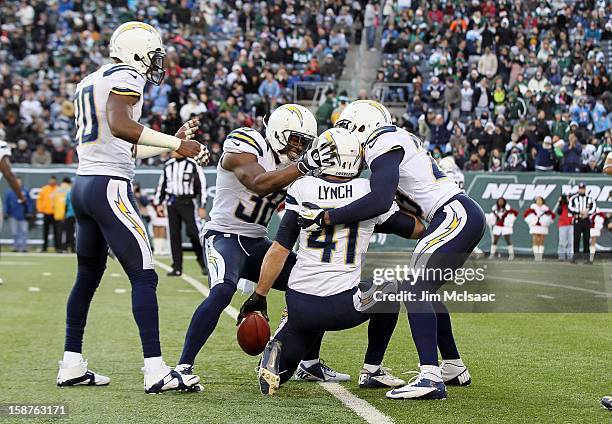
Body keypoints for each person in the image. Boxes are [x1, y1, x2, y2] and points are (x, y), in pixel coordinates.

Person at [56, 22, 209, 394]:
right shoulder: (127, 74)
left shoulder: (90, 80)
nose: (156, 64)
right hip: (108, 187)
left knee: (87, 277)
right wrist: (176, 145)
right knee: (144, 275)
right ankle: (156, 371)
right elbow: (121, 124)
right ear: (137, 51)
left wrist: (174, 140)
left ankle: (71, 364)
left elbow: (128, 145)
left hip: (84, 185)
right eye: (154, 56)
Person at [300, 100, 486, 400]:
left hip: (453, 213)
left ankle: (430, 377)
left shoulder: (381, 139)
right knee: (424, 289)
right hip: (456, 214)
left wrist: (327, 217)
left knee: (415, 287)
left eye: (347, 131)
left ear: (360, 126)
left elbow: (379, 200)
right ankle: (452, 365)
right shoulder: (395, 141)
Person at [239, 128, 421, 395]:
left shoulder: (302, 187)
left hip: (300, 303)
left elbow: (279, 249)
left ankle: (277, 358)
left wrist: (260, 293)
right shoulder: (367, 191)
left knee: (287, 362)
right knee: (390, 291)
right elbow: (415, 229)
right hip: (342, 305)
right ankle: (372, 370)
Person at [175, 104, 347, 386]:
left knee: (313, 282)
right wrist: (304, 167)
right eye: (295, 139)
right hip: (224, 236)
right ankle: (182, 367)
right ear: (278, 132)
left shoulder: (296, 167)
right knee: (222, 292)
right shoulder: (247, 142)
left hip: (257, 242)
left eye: (305, 142)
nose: (300, 147)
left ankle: (309, 363)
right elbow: (257, 183)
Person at [153, 152, 207, 276]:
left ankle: (204, 264)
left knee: (193, 233)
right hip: (172, 202)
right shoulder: (168, 165)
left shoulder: (192, 164)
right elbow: (162, 184)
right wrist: (159, 203)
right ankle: (177, 267)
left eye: (174, 149)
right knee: (174, 235)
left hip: (188, 202)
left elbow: (202, 185)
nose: (172, 152)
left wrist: (202, 205)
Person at [568, 183, 596, 264]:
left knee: (586, 238)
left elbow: (593, 208)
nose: (581, 190)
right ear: (578, 189)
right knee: (576, 238)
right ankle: (575, 257)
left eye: (583, 189)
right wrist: (579, 212)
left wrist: (587, 213)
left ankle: (586, 258)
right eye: (580, 188)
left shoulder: (590, 198)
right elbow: (570, 208)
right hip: (578, 220)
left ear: (585, 189)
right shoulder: (573, 198)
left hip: (586, 220)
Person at [4, 177, 33, 252]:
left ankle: (23, 247)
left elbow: (30, 203)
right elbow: (6, 203)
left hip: (23, 215)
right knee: (14, 232)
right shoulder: (10, 192)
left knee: (24, 232)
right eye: (17, 182)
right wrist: (6, 212)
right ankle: (15, 247)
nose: (18, 183)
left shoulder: (25, 191)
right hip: (13, 215)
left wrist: (29, 212)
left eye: (19, 182)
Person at [523, 197, 555, 261]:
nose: (539, 201)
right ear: (535, 201)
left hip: (543, 226)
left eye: (540, 200)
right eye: (537, 200)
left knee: (541, 240)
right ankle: (536, 256)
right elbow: (525, 214)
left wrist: (546, 216)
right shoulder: (532, 208)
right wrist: (533, 216)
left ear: (542, 201)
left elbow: (553, 215)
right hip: (534, 225)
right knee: (535, 239)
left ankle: (540, 256)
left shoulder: (545, 209)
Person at [37, 175, 58, 252]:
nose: (52, 182)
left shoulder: (58, 189)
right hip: (46, 213)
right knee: (45, 231)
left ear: (55, 181)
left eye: (53, 180)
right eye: (51, 180)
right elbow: (40, 200)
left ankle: (57, 247)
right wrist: (40, 209)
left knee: (56, 231)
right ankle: (44, 247)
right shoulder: (44, 189)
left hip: (55, 213)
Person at [556, 194, 573, 261]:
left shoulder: (574, 205)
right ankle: (561, 256)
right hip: (563, 224)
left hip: (571, 224)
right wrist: (560, 202)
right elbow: (559, 212)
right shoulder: (563, 205)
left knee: (571, 242)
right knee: (562, 241)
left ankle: (570, 256)